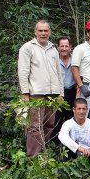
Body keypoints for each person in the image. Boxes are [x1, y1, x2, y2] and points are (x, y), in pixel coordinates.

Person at [18, 20, 64, 157]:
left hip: (53, 95)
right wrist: (25, 93)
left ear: (49, 32)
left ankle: (44, 153)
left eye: (46, 31)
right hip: (36, 93)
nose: (43, 33)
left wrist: (60, 93)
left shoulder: (53, 49)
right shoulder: (27, 48)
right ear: (35, 32)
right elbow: (23, 71)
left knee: (49, 124)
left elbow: (58, 73)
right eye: (40, 30)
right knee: (35, 127)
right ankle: (33, 157)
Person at [53, 37, 76, 143]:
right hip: (58, 94)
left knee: (71, 119)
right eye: (62, 46)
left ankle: (70, 144)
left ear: (70, 48)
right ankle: (55, 144)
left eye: (66, 46)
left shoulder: (75, 60)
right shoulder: (54, 61)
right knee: (56, 120)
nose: (64, 48)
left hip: (72, 92)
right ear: (58, 48)